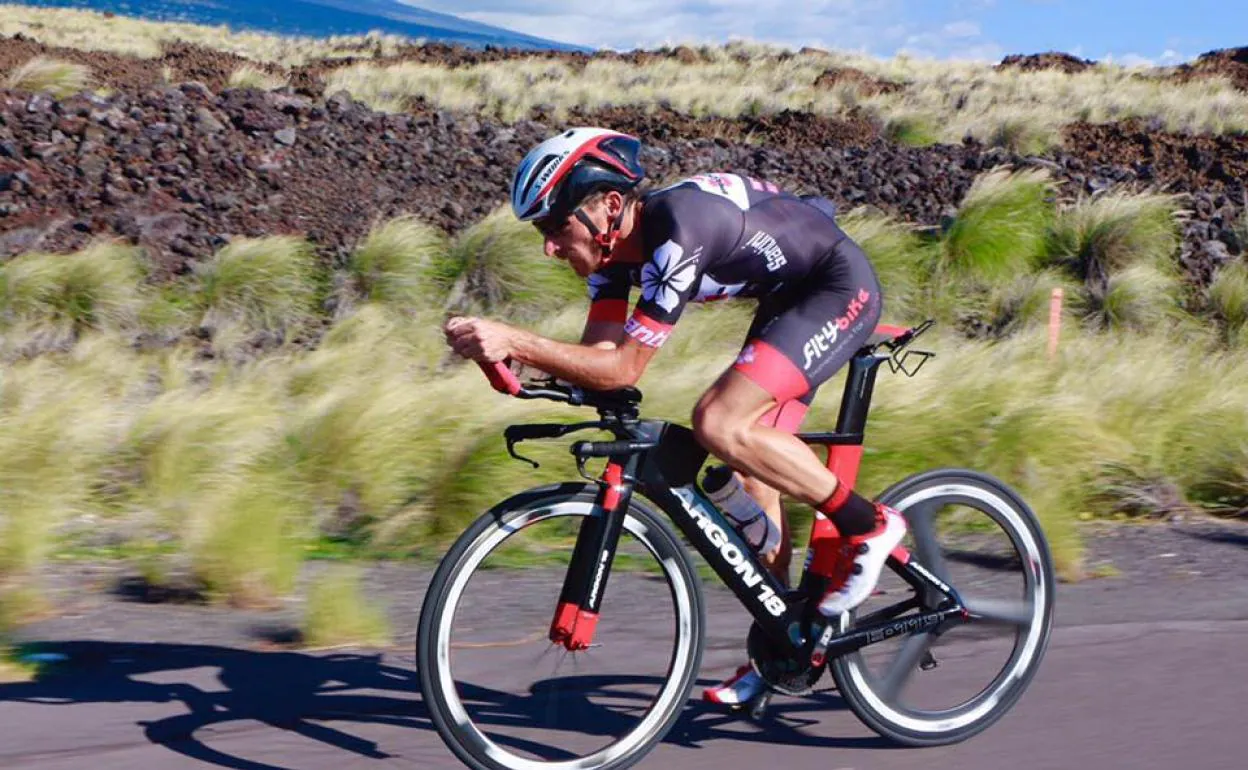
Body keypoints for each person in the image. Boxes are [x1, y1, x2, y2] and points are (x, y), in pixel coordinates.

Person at [444, 127, 907, 707]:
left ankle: (869, 524)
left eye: (554, 227)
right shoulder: (611, 260)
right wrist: (511, 359)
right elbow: (597, 362)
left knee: (718, 421)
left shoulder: (677, 230)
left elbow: (623, 370)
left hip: (834, 287)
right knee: (748, 473)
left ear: (609, 207)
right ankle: (788, 640)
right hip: (787, 297)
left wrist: (516, 337)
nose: (548, 247)